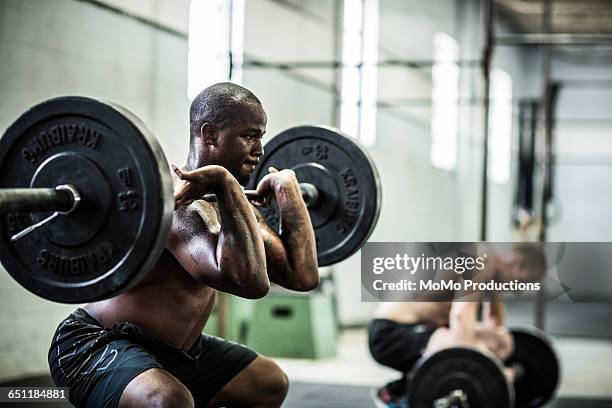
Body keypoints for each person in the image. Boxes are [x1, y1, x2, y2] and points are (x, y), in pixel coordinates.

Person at [48, 82, 319, 408]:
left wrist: (288, 192)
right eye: (249, 136)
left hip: (175, 350)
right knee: (168, 400)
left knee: (267, 383)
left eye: (261, 135)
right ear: (210, 135)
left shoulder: (235, 207)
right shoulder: (179, 206)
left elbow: (302, 277)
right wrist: (225, 182)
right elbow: (248, 282)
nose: (260, 149)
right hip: (97, 342)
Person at [368, 243, 546, 408]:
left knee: (501, 341)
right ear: (517, 264)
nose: (520, 290)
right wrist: (480, 370)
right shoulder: (482, 258)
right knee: (471, 346)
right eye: (524, 282)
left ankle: (407, 384)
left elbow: (494, 325)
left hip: (420, 330)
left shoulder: (493, 272)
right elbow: (461, 315)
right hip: (389, 334)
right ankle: (402, 394)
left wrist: (496, 364)